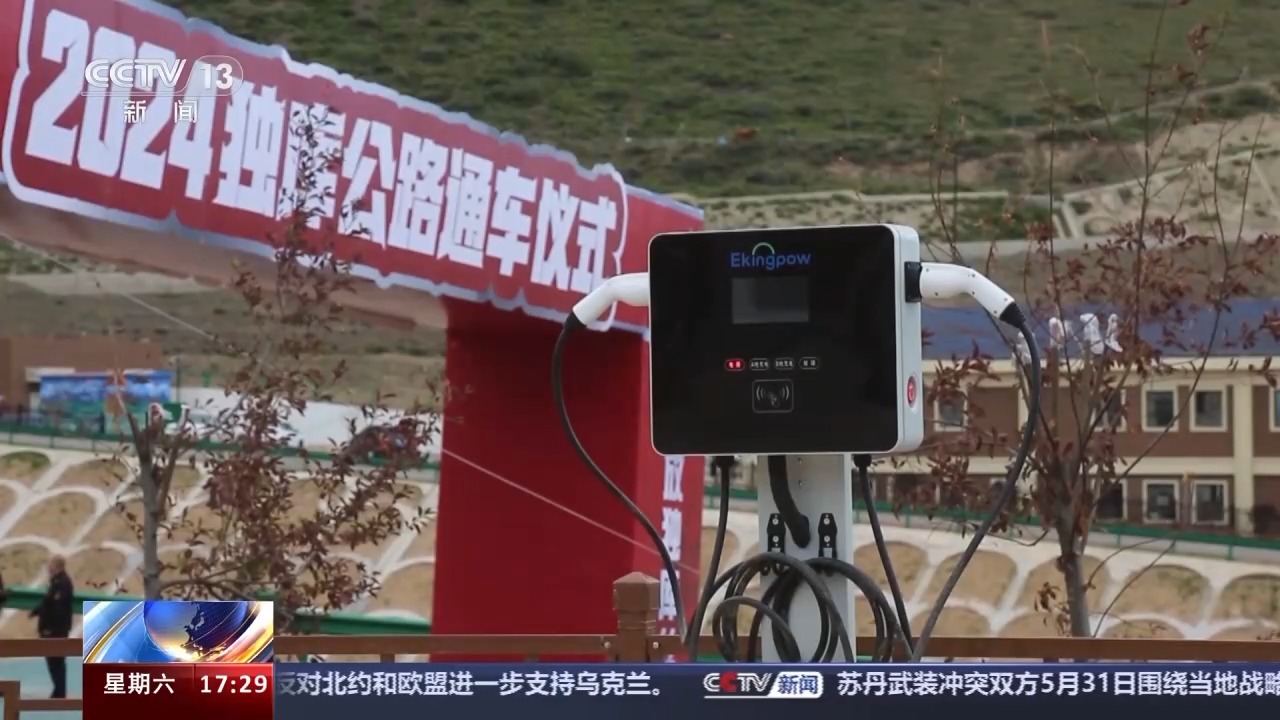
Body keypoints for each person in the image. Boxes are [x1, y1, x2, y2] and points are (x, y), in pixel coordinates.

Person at [30, 556, 73, 698]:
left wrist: (49, 628)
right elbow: (48, 602)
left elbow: (57, 609)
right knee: (53, 660)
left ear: (57, 567)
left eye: (51, 565)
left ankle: (60, 692)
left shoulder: (62, 584)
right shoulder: (56, 582)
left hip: (56, 630)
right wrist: (36, 611)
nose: (48, 568)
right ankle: (58, 690)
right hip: (54, 629)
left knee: (56, 660)